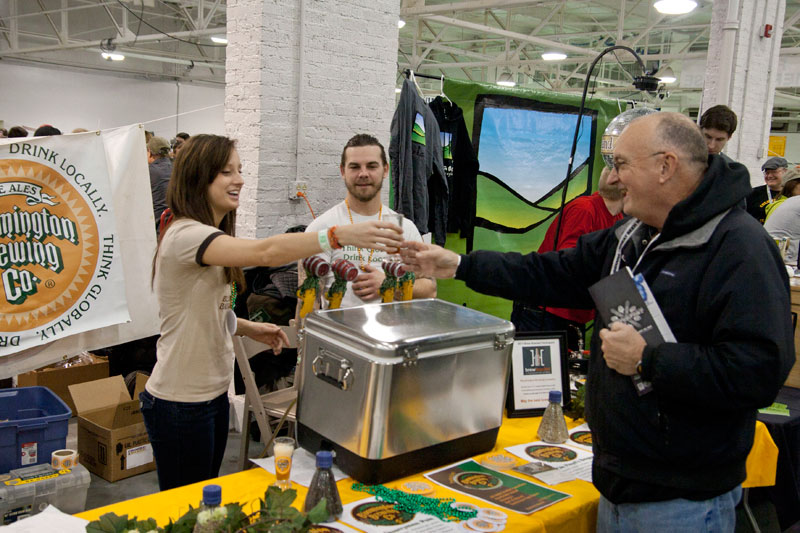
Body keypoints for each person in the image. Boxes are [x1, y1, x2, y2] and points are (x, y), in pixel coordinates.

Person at [400, 112, 793, 532]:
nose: (614, 177)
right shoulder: (634, 234)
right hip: (617, 484)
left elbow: (759, 370)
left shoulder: (739, 247)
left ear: (666, 166)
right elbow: (550, 273)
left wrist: (650, 359)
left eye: (623, 164)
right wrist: (460, 265)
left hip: (683, 502)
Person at [141, 134, 402, 491]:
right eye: (226, 172)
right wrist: (339, 235)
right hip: (180, 402)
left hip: (210, 397)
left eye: (240, 170)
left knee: (203, 504)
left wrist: (247, 327)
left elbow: (201, 308)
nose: (240, 180)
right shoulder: (187, 235)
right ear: (198, 177)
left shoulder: (208, 233)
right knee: (185, 510)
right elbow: (266, 252)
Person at [302, 133, 436, 310]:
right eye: (355, 167)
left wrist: (390, 285)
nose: (363, 174)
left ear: (385, 170)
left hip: (393, 333)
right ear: (343, 171)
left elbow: (430, 289)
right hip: (341, 335)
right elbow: (307, 300)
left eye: (372, 166)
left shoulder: (405, 228)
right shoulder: (321, 228)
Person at [511, 166, 624, 353]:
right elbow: (570, 264)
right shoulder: (585, 210)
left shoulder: (618, 219)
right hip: (545, 311)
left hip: (571, 312)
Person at [747, 156, 788, 224]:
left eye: (774, 172)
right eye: (767, 173)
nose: (769, 176)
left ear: (785, 172)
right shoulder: (752, 193)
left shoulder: (792, 192)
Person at [146, 136, 173, 231]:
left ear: (149, 152)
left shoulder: (149, 172)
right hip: (173, 224)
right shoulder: (175, 168)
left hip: (156, 227)